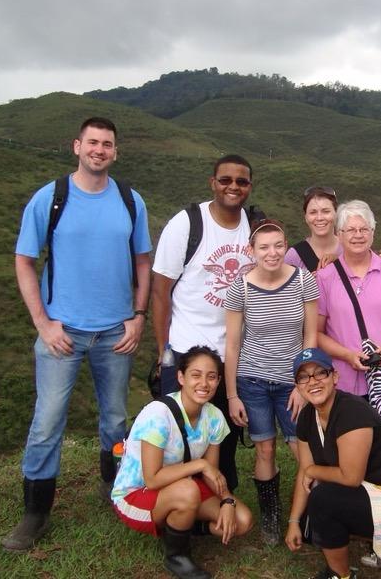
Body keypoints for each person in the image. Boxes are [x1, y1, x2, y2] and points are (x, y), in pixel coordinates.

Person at [3, 117, 152, 551]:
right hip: (61, 332)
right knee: (47, 422)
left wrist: (138, 315)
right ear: (76, 146)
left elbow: (143, 260)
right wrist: (43, 323)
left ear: (115, 152)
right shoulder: (51, 198)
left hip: (115, 331)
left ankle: (115, 490)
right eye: (93, 143)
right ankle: (36, 512)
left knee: (116, 419)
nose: (99, 150)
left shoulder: (129, 200)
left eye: (107, 144)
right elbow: (24, 260)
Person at [151, 154, 258, 492]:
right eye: (225, 180)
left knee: (222, 437)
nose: (233, 187)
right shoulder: (187, 223)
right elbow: (160, 290)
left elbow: (275, 266)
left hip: (232, 352)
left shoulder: (253, 225)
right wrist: (163, 351)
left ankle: (216, 504)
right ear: (212, 183)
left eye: (241, 181)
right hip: (187, 348)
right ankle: (178, 511)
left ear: (249, 187)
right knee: (179, 435)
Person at [285, 348, 381, 579]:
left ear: (335, 377)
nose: (313, 381)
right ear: (297, 386)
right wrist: (294, 521)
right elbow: (304, 474)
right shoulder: (308, 417)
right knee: (312, 519)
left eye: (320, 373)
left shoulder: (352, 411)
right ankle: (370, 540)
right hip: (368, 491)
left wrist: (313, 470)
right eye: (304, 377)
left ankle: (341, 575)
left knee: (323, 501)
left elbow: (350, 477)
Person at [112, 346, 253, 579]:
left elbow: (212, 472)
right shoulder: (158, 414)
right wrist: (200, 465)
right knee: (187, 491)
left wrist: (227, 499)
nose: (204, 384)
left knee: (242, 520)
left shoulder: (214, 416)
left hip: (178, 484)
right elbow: (152, 478)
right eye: (195, 375)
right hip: (136, 493)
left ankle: (182, 526)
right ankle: (177, 556)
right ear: (180, 377)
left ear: (219, 380)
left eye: (211, 377)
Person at [224, 219, 320, 544]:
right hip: (252, 379)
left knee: (301, 447)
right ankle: (271, 518)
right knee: (264, 448)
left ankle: (310, 515)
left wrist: (304, 384)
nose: (272, 252)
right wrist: (232, 395)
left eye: (278, 245)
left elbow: (310, 334)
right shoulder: (241, 287)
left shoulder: (302, 280)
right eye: (264, 247)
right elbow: (233, 344)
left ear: (286, 246)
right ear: (252, 251)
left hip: (291, 380)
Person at [315, 200, 381, 397]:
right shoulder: (325, 277)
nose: (358, 235)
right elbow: (316, 333)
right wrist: (347, 355)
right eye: (351, 230)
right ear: (339, 235)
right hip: (341, 380)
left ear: (373, 232)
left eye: (364, 229)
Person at [284, 186, 342, 273]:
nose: (319, 218)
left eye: (326, 211)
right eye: (313, 212)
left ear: (336, 213)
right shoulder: (294, 256)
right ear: (306, 217)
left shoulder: (350, 249)